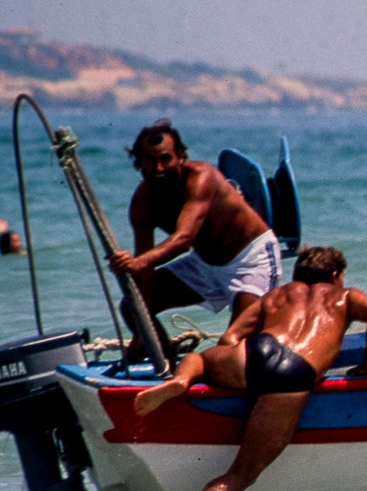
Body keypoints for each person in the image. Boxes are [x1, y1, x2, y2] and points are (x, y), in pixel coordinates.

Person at [133, 246, 367, 491]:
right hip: (294, 373)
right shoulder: (345, 296)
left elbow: (228, 337)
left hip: (256, 351)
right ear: (336, 275)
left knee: (200, 358)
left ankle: (181, 381)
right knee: (239, 476)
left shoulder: (276, 295)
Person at [108, 118, 281, 355]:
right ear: (139, 162)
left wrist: (138, 263)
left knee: (235, 346)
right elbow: (144, 270)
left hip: (251, 260)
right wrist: (143, 330)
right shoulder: (143, 203)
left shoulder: (200, 178)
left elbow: (184, 239)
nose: (158, 168)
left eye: (165, 158)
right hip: (206, 265)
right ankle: (167, 367)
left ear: (180, 156)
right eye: (149, 160)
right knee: (132, 308)